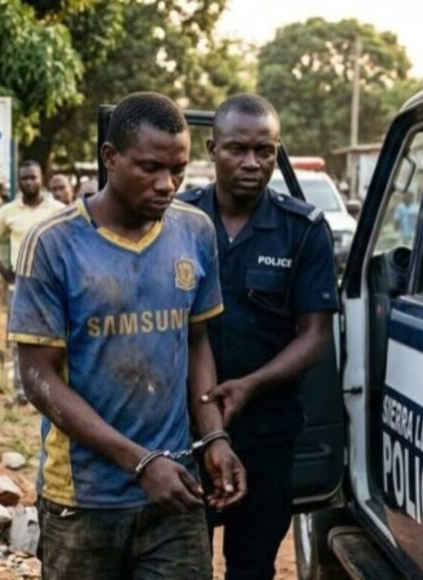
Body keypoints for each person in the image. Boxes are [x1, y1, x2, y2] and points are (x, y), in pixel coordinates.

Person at [11, 92, 246, 579]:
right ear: (111, 158)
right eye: (150, 168)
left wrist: (214, 436)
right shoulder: (53, 244)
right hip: (84, 500)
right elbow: (38, 378)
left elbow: (196, 342)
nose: (167, 184)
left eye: (179, 170)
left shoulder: (194, 231)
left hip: (174, 492)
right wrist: (140, 464)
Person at [178, 94, 339, 580]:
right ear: (211, 148)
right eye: (237, 149)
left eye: (264, 151)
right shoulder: (176, 222)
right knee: (182, 563)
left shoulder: (303, 230)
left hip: (268, 429)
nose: (252, 162)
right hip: (181, 432)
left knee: (252, 565)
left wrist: (251, 385)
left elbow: (315, 337)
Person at [0, 160, 65, 404]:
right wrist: (4, 271)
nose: (29, 182)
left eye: (33, 177)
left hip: (52, 286)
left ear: (42, 178)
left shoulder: (58, 208)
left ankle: (56, 390)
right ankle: (22, 392)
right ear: (19, 181)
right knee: (21, 339)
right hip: (19, 287)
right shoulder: (8, 211)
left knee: (57, 337)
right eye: (24, 178)